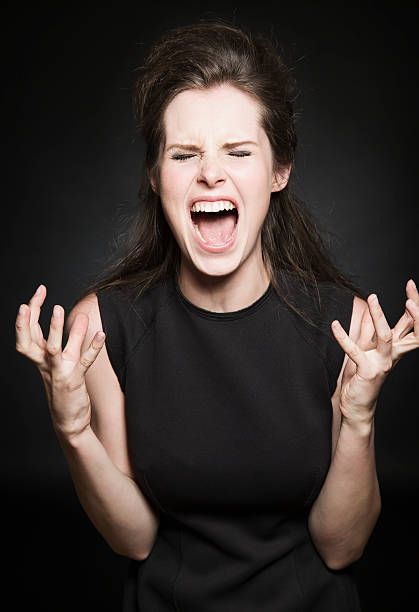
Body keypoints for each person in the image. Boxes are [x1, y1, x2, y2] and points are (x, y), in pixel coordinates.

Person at [15, 19, 419, 612]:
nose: (211, 172)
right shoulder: (101, 328)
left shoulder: (346, 328)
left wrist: (358, 418)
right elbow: (135, 539)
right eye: (185, 154)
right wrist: (74, 433)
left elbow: (342, 549)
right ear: (156, 177)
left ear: (278, 171)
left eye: (238, 151)